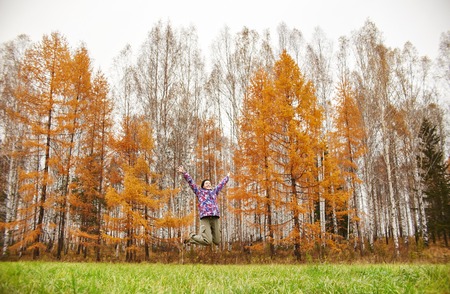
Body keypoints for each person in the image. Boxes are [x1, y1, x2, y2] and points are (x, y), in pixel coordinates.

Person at [178, 165, 230, 246]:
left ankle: (190, 240)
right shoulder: (199, 192)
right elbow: (191, 182)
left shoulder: (214, 192)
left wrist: (227, 177)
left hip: (215, 217)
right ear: (203, 186)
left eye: (209, 183)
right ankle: (191, 236)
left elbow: (221, 184)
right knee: (208, 241)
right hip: (205, 217)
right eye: (206, 183)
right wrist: (184, 173)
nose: (208, 184)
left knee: (217, 241)